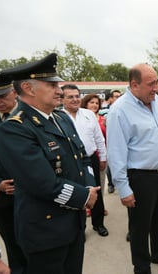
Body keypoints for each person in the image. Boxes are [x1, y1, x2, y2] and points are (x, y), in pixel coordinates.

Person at [0, 53, 99, 274]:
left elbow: (82, 156)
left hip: (73, 222)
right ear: (29, 88)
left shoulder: (61, 118)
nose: (59, 90)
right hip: (45, 231)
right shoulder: (14, 129)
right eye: (51, 85)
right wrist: (84, 197)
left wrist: (90, 186)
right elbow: (42, 183)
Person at [107, 63, 158, 274]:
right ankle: (141, 267)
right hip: (139, 177)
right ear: (134, 84)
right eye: (151, 84)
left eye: (157, 82)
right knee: (140, 227)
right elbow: (116, 152)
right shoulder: (119, 111)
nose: (156, 88)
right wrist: (123, 188)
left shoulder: (156, 101)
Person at [62, 85, 109, 237]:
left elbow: (99, 139)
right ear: (62, 99)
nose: (75, 99)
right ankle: (79, 230)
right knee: (76, 195)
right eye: (70, 97)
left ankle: (98, 224)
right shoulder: (58, 117)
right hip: (70, 163)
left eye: (77, 96)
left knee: (96, 192)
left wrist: (102, 158)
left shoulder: (89, 114)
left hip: (90, 159)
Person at [0, 74, 27, 274]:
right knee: (13, 245)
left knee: (35, 245)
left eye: (1, 96)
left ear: (14, 93)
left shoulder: (31, 116)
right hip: (3, 198)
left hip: (31, 196)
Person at [99, 89, 120, 194]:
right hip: (108, 141)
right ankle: (111, 184)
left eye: (119, 96)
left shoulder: (122, 108)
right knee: (110, 165)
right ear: (111, 98)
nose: (117, 98)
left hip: (119, 140)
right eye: (116, 96)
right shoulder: (103, 110)